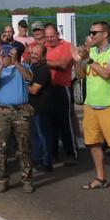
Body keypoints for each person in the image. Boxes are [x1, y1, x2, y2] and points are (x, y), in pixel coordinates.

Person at [74, 22, 110, 197]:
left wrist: (89, 59)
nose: (91, 35)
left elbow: (107, 74)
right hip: (91, 104)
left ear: (105, 34)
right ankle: (100, 177)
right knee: (93, 142)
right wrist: (79, 60)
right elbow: (81, 75)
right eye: (90, 32)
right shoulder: (92, 52)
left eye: (94, 33)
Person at [0, 47, 35, 193]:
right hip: (2, 111)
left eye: (7, 55)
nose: (4, 57)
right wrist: (1, 66)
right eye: (3, 55)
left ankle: (27, 179)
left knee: (24, 147)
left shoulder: (23, 67)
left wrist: (16, 63)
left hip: (21, 110)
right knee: (1, 147)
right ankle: (2, 179)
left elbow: (29, 78)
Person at [44, 24, 79, 167]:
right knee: (50, 123)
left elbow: (64, 64)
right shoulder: (44, 46)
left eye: (52, 36)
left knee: (65, 122)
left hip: (62, 89)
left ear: (58, 34)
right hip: (47, 89)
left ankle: (71, 153)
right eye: (47, 37)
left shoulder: (67, 46)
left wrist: (44, 62)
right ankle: (53, 154)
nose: (49, 39)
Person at [23, 42, 55, 173]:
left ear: (43, 57)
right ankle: (37, 160)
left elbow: (34, 90)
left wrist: (19, 87)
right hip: (32, 107)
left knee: (43, 135)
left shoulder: (43, 69)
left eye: (36, 54)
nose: (33, 56)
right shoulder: (32, 66)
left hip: (41, 108)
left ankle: (47, 162)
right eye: (32, 53)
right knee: (35, 135)